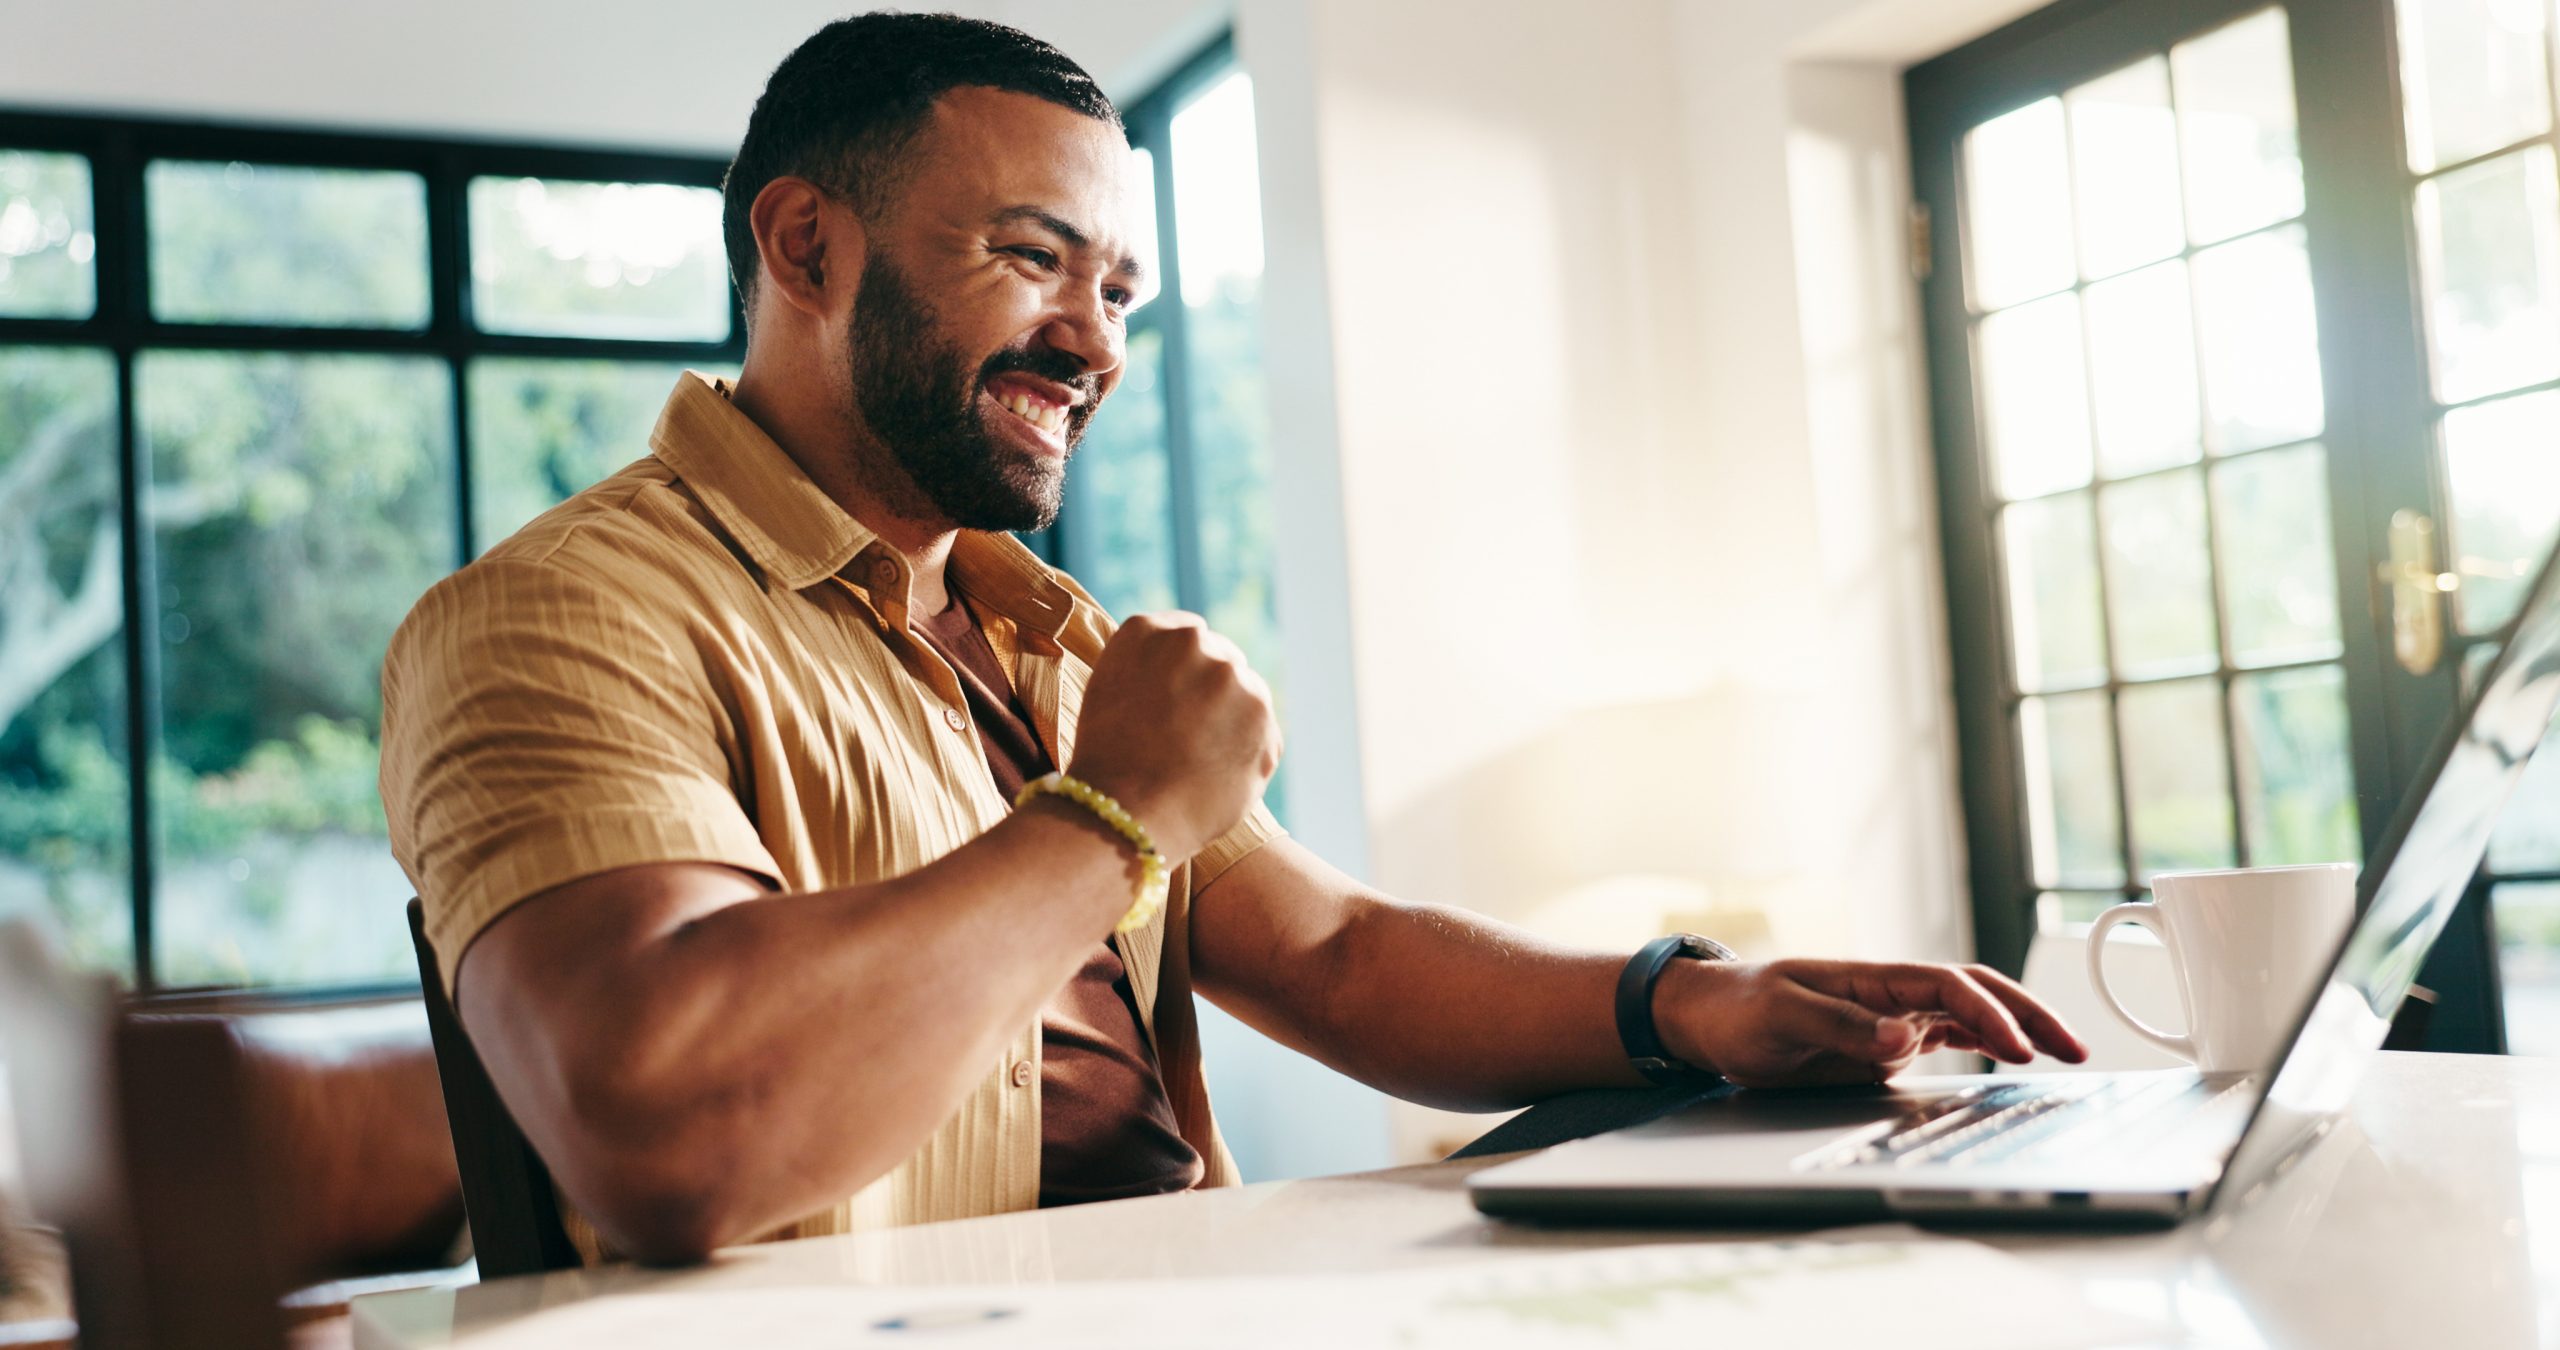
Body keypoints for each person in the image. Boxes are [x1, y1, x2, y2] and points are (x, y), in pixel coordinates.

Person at [379, 11, 2085, 1267]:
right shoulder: (558, 617)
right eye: (1030, 260)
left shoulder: (1048, 639)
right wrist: (1111, 814)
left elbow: (1334, 953)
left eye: (1118, 290)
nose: (1094, 345)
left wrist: (1688, 1002)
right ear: (805, 244)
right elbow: (671, 1125)